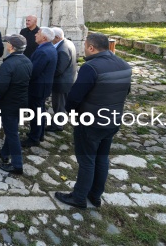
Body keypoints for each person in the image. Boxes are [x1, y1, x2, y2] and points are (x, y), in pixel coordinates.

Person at [54, 33, 132, 209]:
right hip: (112, 119)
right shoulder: (124, 64)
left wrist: (71, 113)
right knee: (102, 158)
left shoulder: (91, 67)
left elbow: (74, 96)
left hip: (90, 121)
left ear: (91, 48)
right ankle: (95, 195)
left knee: (87, 160)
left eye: (85, 47)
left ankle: (79, 197)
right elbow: (126, 91)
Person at [0, 34, 32, 176]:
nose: (6, 44)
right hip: (22, 101)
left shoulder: (8, 64)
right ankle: (4, 152)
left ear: (11, 47)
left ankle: (17, 165)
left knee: (12, 133)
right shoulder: (27, 61)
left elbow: (1, 87)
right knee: (11, 129)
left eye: (7, 42)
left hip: (10, 103)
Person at [22, 27, 57, 148]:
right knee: (40, 111)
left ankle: (34, 138)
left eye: (38, 33)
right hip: (43, 86)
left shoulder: (43, 51)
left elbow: (34, 71)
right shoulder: (49, 48)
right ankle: (39, 133)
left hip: (37, 87)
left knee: (36, 113)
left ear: (44, 38)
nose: (36, 34)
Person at [47, 27, 78, 132]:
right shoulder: (67, 43)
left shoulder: (62, 50)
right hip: (68, 79)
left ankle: (58, 125)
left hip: (62, 82)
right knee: (62, 103)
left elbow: (59, 70)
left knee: (59, 105)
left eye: (51, 37)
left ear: (56, 37)